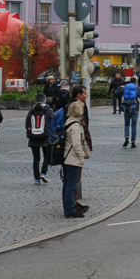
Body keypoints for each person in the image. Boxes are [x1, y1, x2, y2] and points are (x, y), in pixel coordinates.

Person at [61, 86, 92, 217]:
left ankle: (70, 207)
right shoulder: (75, 125)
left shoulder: (68, 122)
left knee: (69, 183)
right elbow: (76, 144)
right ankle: (70, 210)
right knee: (71, 184)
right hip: (72, 158)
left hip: (67, 157)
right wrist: (81, 156)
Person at [25, 93, 51, 184]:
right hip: (45, 137)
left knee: (36, 158)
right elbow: (52, 122)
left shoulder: (31, 111)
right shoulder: (48, 110)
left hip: (33, 138)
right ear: (44, 100)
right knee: (46, 156)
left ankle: (36, 178)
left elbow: (27, 123)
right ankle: (43, 173)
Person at [120, 74, 140, 148]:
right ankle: (133, 142)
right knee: (134, 125)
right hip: (135, 108)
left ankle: (126, 138)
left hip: (126, 108)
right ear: (135, 82)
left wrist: (120, 87)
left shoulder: (125, 88)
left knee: (126, 124)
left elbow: (116, 93)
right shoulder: (136, 88)